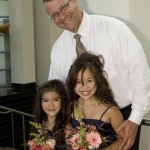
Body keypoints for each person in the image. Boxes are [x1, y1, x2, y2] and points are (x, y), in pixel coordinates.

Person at [43, 0, 150, 149]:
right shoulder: (58, 48)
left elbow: (140, 72)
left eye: (64, 7)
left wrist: (135, 119)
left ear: (74, 1)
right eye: (54, 14)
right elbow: (57, 92)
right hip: (79, 122)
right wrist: (65, 123)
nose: (62, 16)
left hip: (123, 119)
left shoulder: (114, 29)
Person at [66, 52, 124, 150]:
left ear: (98, 80)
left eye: (89, 81)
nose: (84, 87)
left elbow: (122, 139)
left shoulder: (111, 111)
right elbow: (67, 124)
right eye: (79, 82)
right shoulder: (71, 105)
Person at [29, 79, 72, 149]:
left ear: (63, 100)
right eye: (45, 100)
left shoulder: (67, 128)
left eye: (56, 99)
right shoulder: (40, 124)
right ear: (40, 103)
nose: (51, 105)